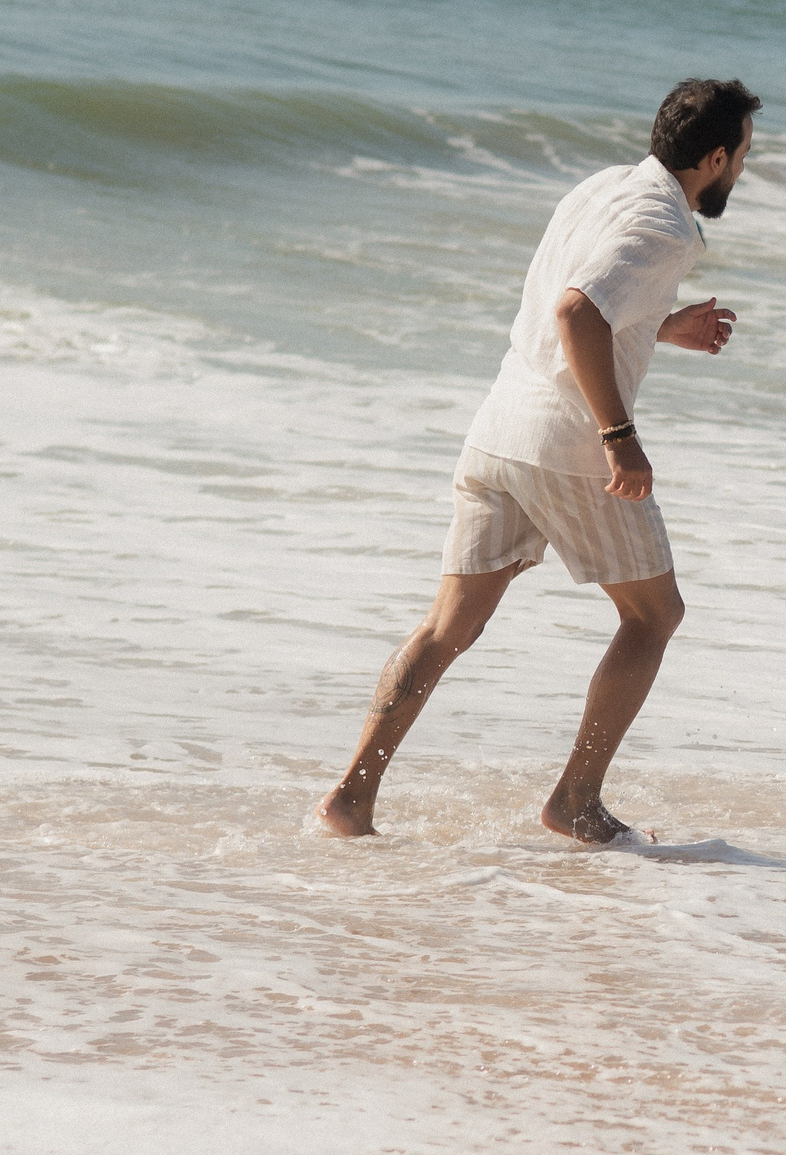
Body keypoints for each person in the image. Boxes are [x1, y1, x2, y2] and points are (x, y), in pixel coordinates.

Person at [315, 79, 759, 844]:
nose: (744, 170)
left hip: (500, 428)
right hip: (569, 444)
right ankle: (576, 799)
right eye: (744, 155)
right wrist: (619, 434)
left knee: (445, 627)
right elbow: (577, 312)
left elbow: (582, 303)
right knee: (655, 615)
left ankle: (350, 798)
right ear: (715, 158)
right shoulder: (664, 222)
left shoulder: (603, 187)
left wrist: (661, 324)